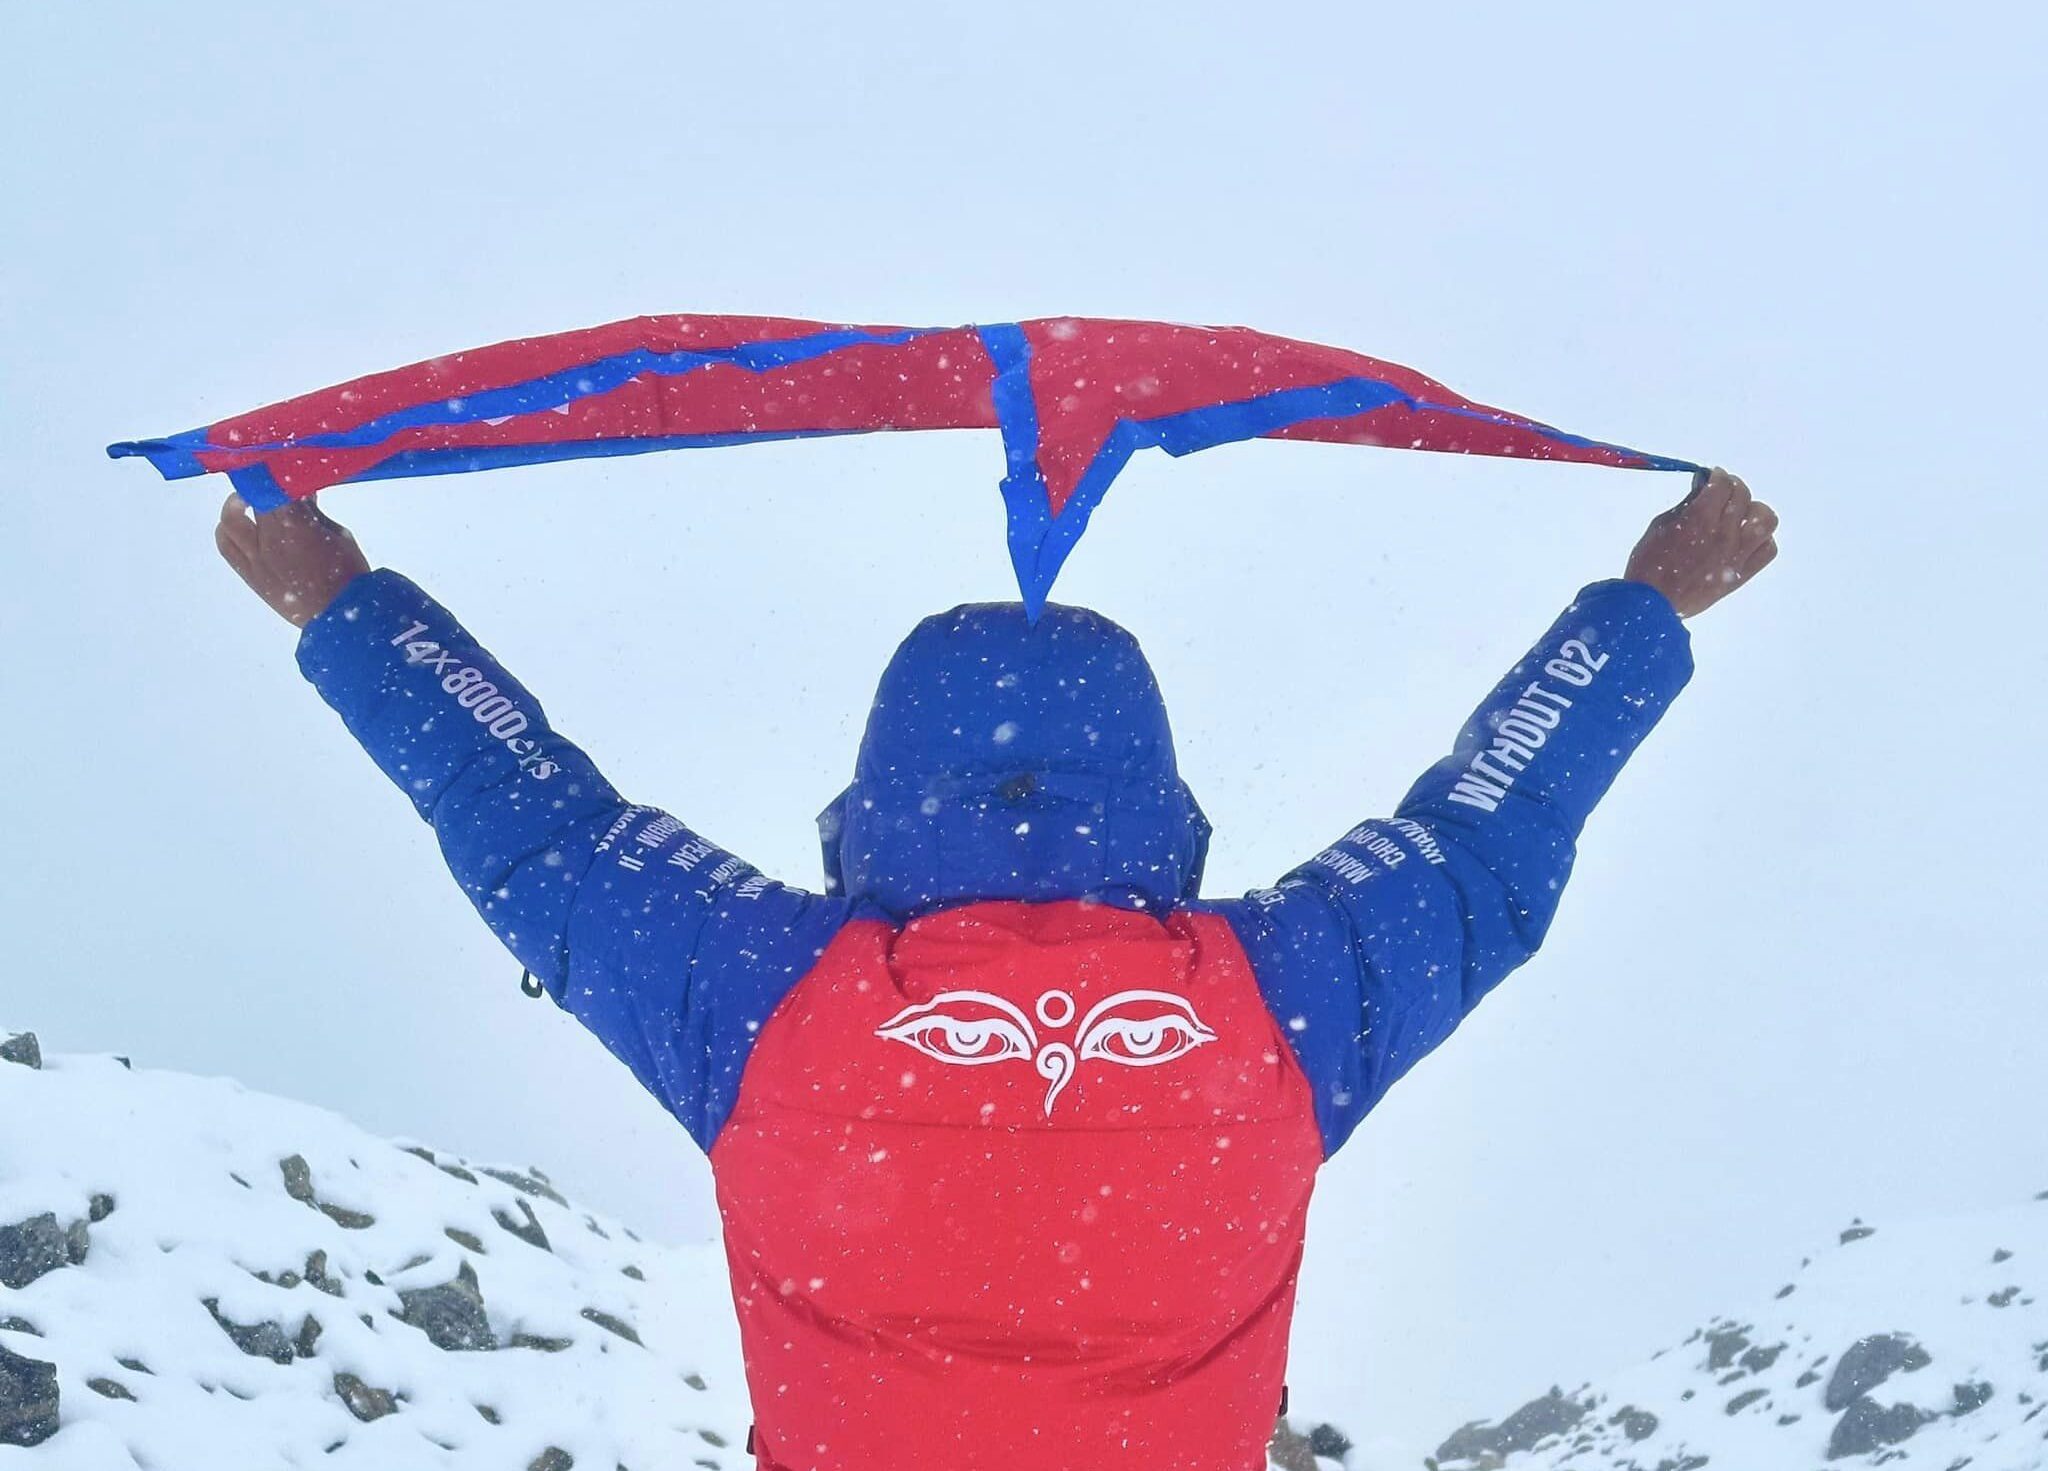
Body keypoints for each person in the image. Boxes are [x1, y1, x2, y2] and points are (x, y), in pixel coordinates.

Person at [216, 470, 1777, 1471]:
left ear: (868, 809)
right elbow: (1490, 836)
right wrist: (1648, 604)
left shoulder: (764, 993)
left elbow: (535, 823)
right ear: (1169, 813)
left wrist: (344, 605)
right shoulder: (1278, 1001)